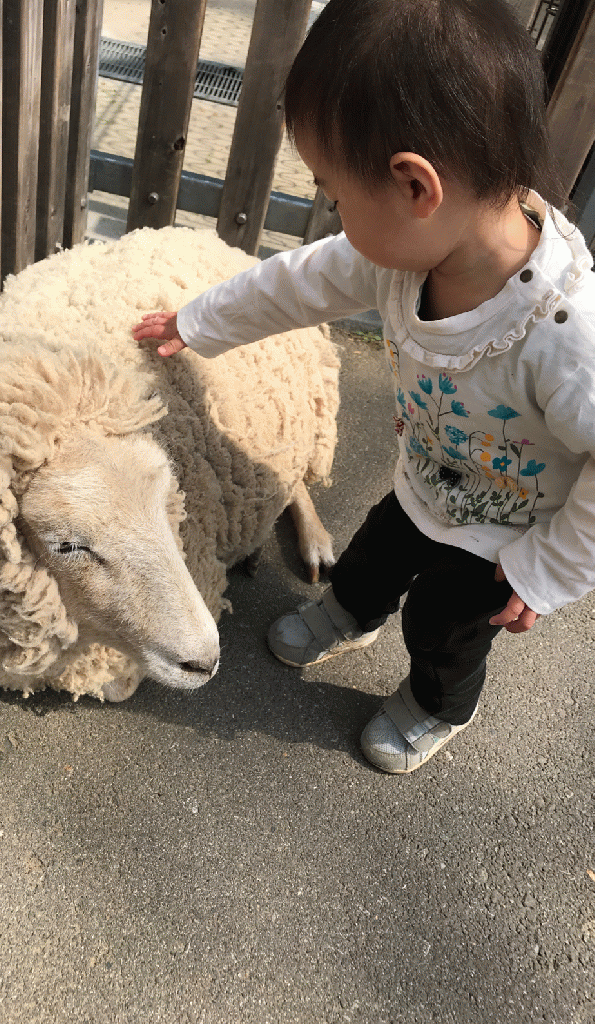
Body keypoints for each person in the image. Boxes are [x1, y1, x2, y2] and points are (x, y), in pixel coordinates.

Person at [132, 0, 595, 773]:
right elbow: (295, 283)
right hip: (426, 477)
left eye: (334, 194)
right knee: (375, 552)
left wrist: (547, 569)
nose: (331, 214)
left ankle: (435, 704)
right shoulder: (401, 252)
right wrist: (199, 321)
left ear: (416, 186)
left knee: (444, 625)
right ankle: (348, 610)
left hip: (505, 534)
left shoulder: (567, 335)